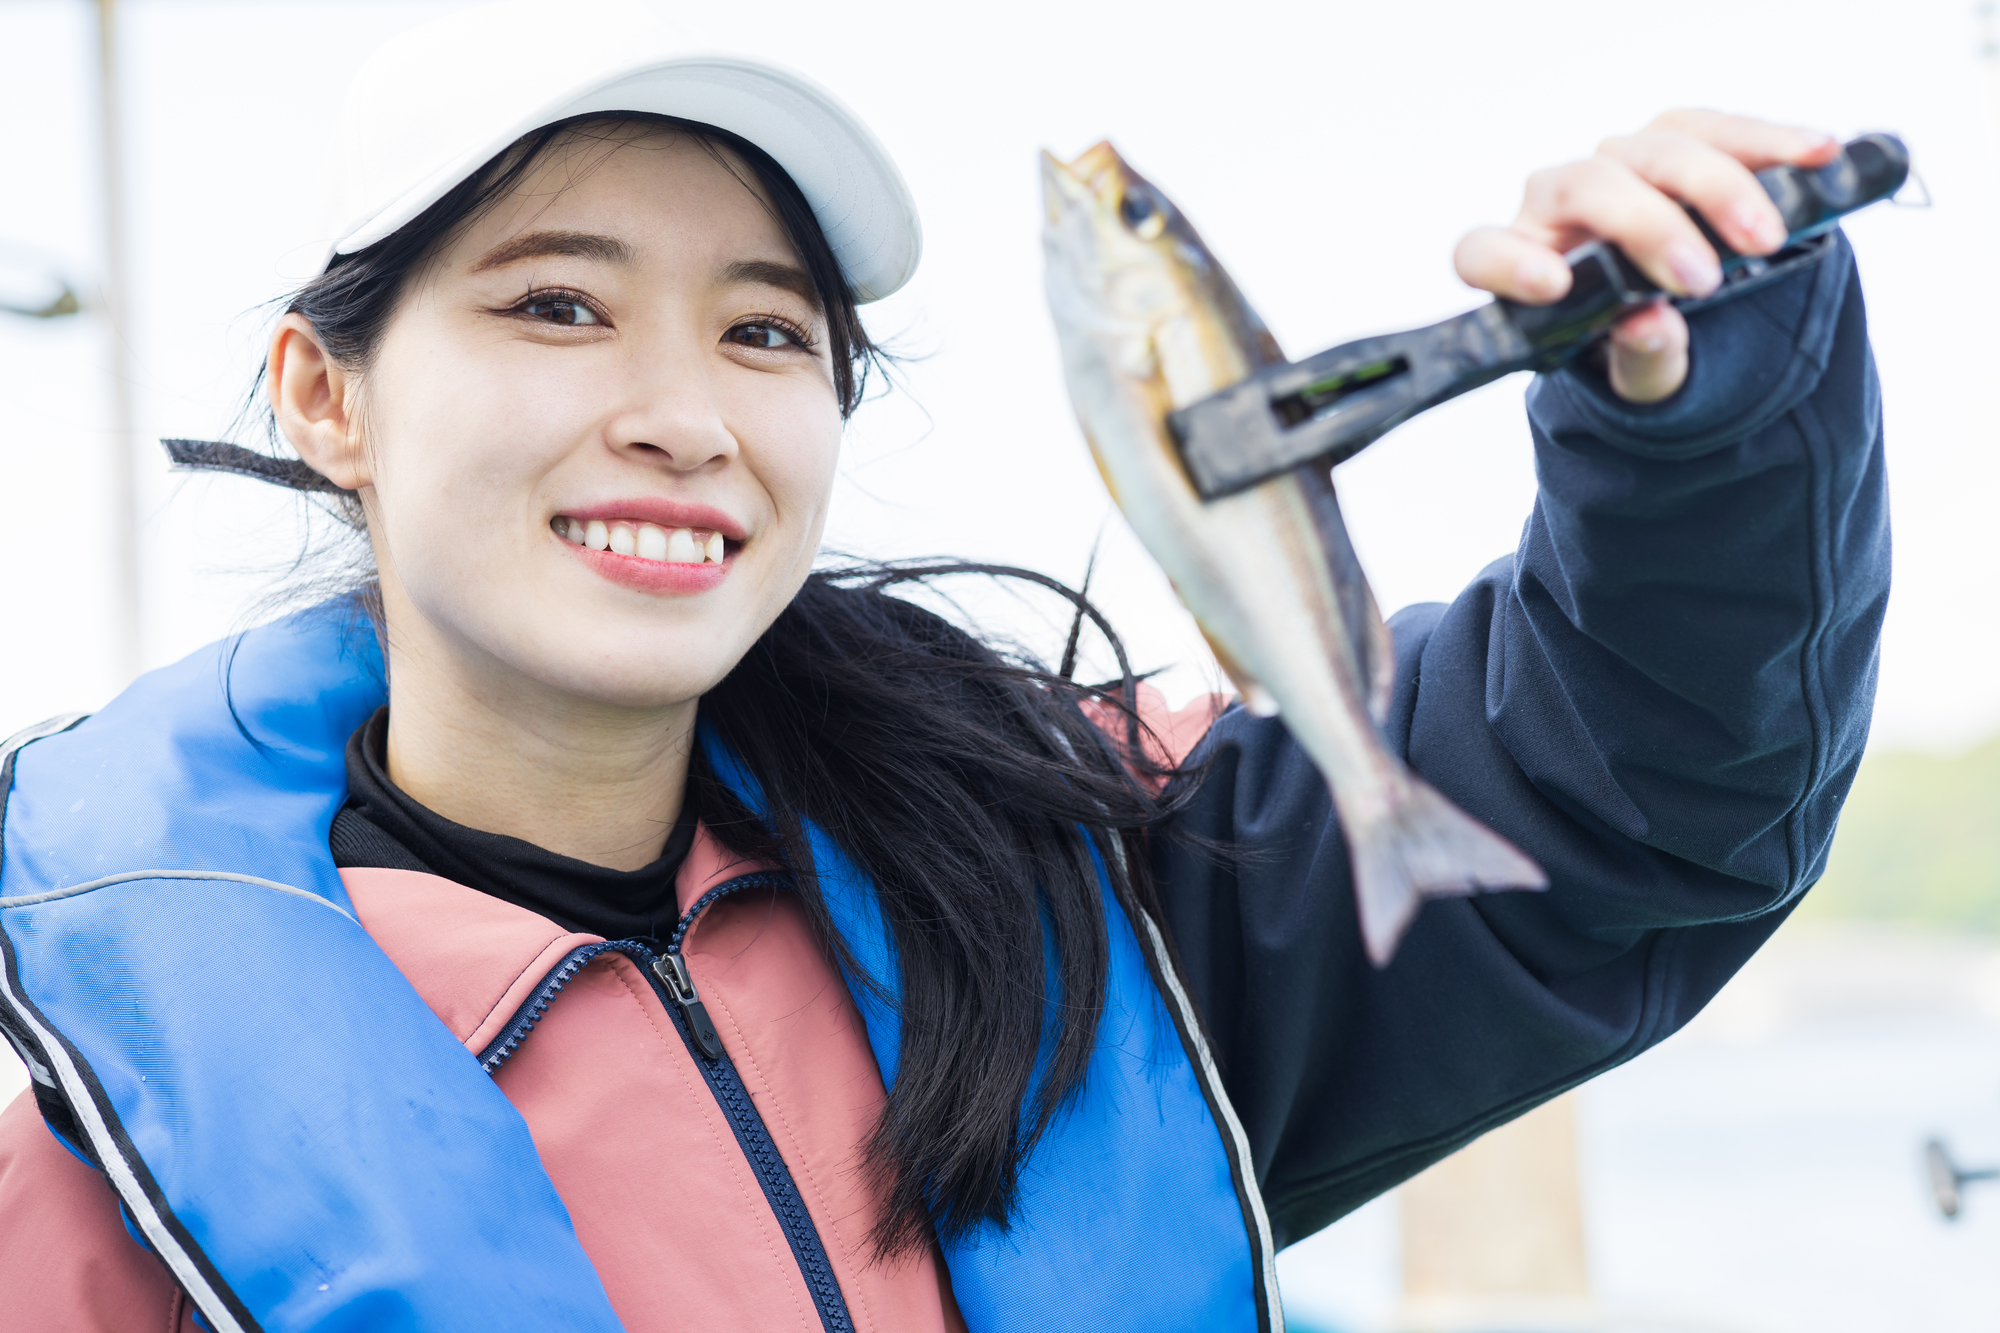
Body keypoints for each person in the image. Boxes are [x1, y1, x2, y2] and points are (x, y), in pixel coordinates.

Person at [0, 2, 1888, 1330]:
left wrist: (1703, 420)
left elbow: (1629, 798)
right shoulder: (113, 1138)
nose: (680, 414)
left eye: (765, 330)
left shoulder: (1079, 891)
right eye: (558, 305)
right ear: (326, 396)